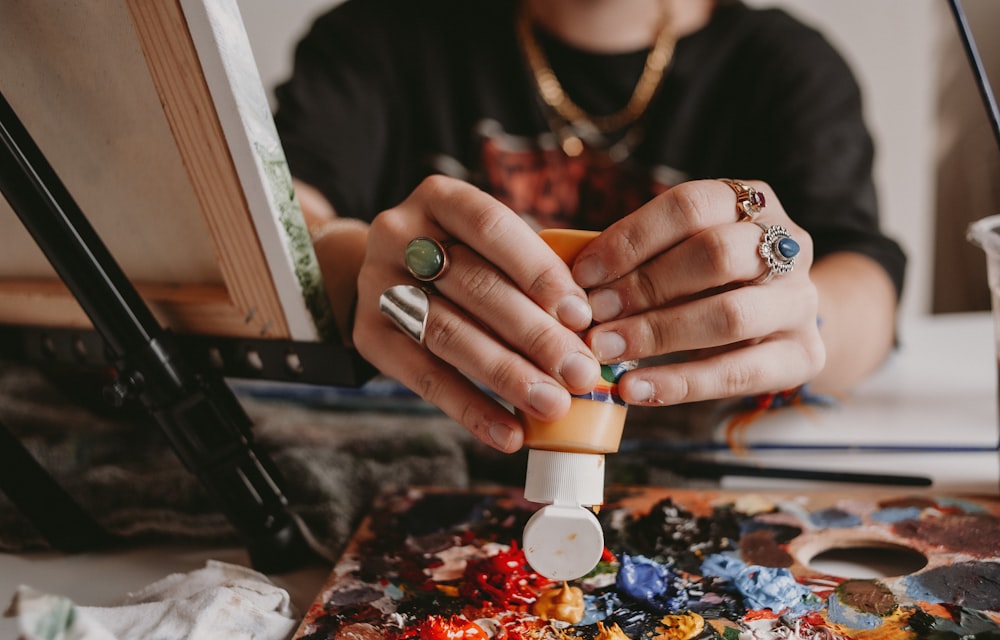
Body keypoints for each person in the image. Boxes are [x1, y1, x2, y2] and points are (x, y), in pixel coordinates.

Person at [273, 0, 906, 454]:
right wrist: (357, 263)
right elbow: (278, 221)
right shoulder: (380, 34)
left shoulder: (786, 68)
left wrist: (794, 318)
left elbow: (865, 282)